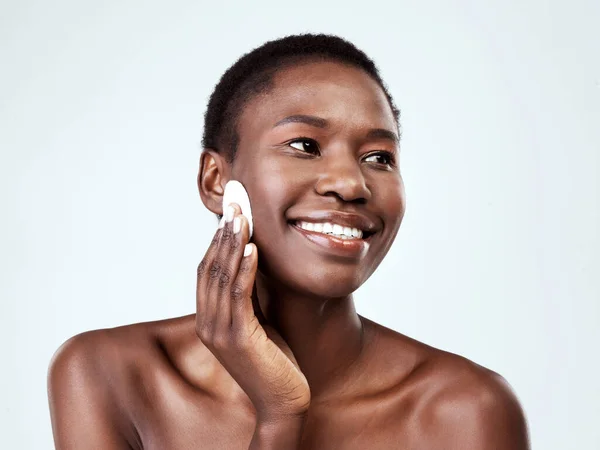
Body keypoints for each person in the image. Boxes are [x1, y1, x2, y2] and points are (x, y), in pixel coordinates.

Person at [47, 33, 530, 449]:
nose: (351, 183)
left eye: (379, 157)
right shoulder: (107, 375)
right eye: (305, 145)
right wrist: (280, 416)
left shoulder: (464, 410)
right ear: (216, 180)